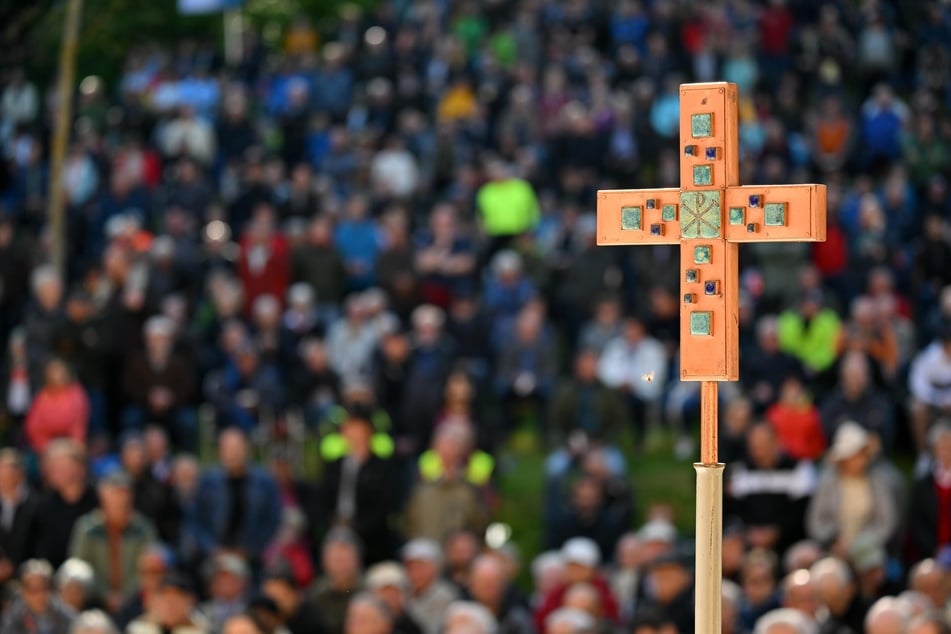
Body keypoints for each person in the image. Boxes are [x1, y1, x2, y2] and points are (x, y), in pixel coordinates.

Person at [189, 428, 281, 570]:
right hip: (213, 555)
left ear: (247, 449)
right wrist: (213, 549)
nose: (232, 454)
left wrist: (249, 550)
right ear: (219, 451)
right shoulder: (208, 482)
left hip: (252, 556)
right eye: (227, 448)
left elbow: (272, 521)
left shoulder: (264, 482)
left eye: (237, 448)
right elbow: (196, 520)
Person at [68, 469, 157, 611]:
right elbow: (80, 567)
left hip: (135, 601)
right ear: (103, 497)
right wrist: (106, 595)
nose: (120, 498)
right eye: (115, 493)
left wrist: (126, 597)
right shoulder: (87, 528)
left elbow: (149, 567)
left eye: (124, 492)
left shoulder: (144, 529)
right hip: (93, 599)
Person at [806, 422, 897, 555]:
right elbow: (816, 522)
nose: (860, 460)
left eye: (862, 454)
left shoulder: (877, 481)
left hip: (869, 547)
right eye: (855, 455)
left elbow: (886, 522)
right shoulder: (827, 482)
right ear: (844, 458)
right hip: (831, 547)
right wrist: (834, 540)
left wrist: (862, 543)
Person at [320, 404, 395, 565]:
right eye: (347, 427)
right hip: (335, 531)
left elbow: (383, 506)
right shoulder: (334, 466)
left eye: (355, 427)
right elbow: (323, 499)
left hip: (370, 539)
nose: (350, 432)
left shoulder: (381, 467)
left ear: (367, 430)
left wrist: (356, 527)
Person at [35, 440, 98, 568]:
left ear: (81, 468)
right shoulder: (42, 505)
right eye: (52, 465)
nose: (55, 470)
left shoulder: (99, 500)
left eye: (62, 465)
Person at [24, 358, 89, 453]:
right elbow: (33, 425)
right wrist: (44, 447)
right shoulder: (42, 396)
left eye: (60, 371)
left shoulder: (76, 394)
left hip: (70, 447)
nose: (58, 375)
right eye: (53, 371)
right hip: (45, 448)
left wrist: (73, 447)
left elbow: (78, 424)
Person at [308, 528, 364, 634]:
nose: (341, 566)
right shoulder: (315, 594)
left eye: (345, 560)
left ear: (357, 560)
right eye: (336, 560)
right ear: (325, 562)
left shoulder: (369, 592)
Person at [910, 423, 951, 560]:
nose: (946, 450)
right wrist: (933, 551)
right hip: (930, 553)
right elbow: (917, 522)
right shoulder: (923, 484)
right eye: (941, 446)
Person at [0, 559, 75, 634]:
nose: (40, 595)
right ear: (23, 592)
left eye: (43, 588)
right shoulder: (12, 618)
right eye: (33, 590)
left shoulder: (66, 616)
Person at [0, 447, 40, 588]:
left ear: (21, 474)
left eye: (8, 472)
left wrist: (16, 568)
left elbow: (40, 545)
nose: (4, 478)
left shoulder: (36, 505)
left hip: (28, 575)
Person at [465, 554, 534, 634]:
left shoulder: (517, 615)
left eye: (495, 582)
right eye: (484, 583)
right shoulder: (462, 614)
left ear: (504, 583)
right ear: (472, 584)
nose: (490, 589)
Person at [402, 539, 458, 634]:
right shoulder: (403, 594)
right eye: (411, 567)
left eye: (421, 566)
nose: (416, 572)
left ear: (436, 567)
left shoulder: (446, 596)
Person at [126, 571, 210, 634]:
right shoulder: (139, 628)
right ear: (155, 602)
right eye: (165, 600)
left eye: (176, 600)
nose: (170, 606)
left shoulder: (202, 629)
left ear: (189, 602)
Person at [261, 566, 326, 634]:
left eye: (279, 597)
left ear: (294, 593)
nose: (275, 604)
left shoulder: (313, 622)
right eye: (270, 599)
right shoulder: (266, 622)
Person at [365, 561, 424, 634]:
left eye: (395, 592)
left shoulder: (412, 627)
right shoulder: (359, 626)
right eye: (384, 592)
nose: (389, 598)